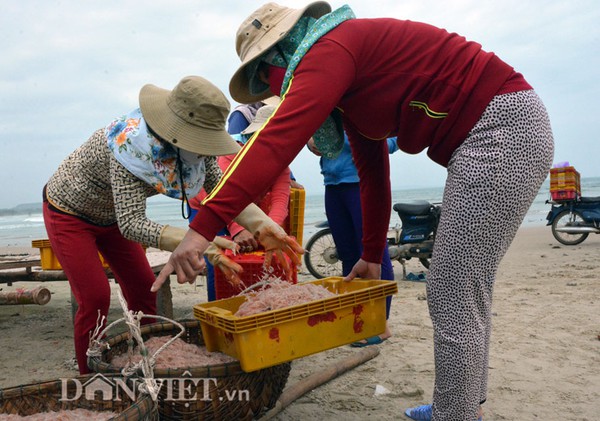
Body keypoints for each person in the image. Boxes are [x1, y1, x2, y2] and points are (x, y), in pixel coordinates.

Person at [154, 3, 554, 420]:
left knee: (451, 287)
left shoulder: (331, 49)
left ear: (281, 54)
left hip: (502, 130)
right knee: (468, 284)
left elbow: (274, 144)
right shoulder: (352, 81)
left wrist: (200, 232)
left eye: (264, 78)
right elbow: (373, 172)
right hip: (501, 130)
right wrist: (369, 253)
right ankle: (461, 404)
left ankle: (455, 414)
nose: (272, 90)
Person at [43, 75, 265, 374]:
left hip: (112, 217)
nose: (204, 149)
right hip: (69, 212)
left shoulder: (197, 149)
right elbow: (132, 224)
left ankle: (149, 358)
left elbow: (224, 189)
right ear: (176, 131)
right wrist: (203, 243)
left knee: (145, 288)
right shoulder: (128, 147)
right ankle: (88, 374)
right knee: (95, 296)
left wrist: (263, 225)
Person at [189, 104, 292, 300]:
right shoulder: (231, 152)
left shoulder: (281, 162)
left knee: (250, 261)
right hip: (207, 204)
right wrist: (237, 229)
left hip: (242, 207)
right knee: (218, 263)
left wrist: (271, 229)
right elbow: (221, 193)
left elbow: (280, 200)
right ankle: (219, 308)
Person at [308, 134, 398, 346]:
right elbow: (315, 135)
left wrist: (343, 138)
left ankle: (380, 324)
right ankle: (358, 319)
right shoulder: (332, 107)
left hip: (363, 182)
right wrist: (312, 142)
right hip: (332, 184)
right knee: (347, 255)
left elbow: (394, 142)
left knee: (375, 253)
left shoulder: (376, 102)